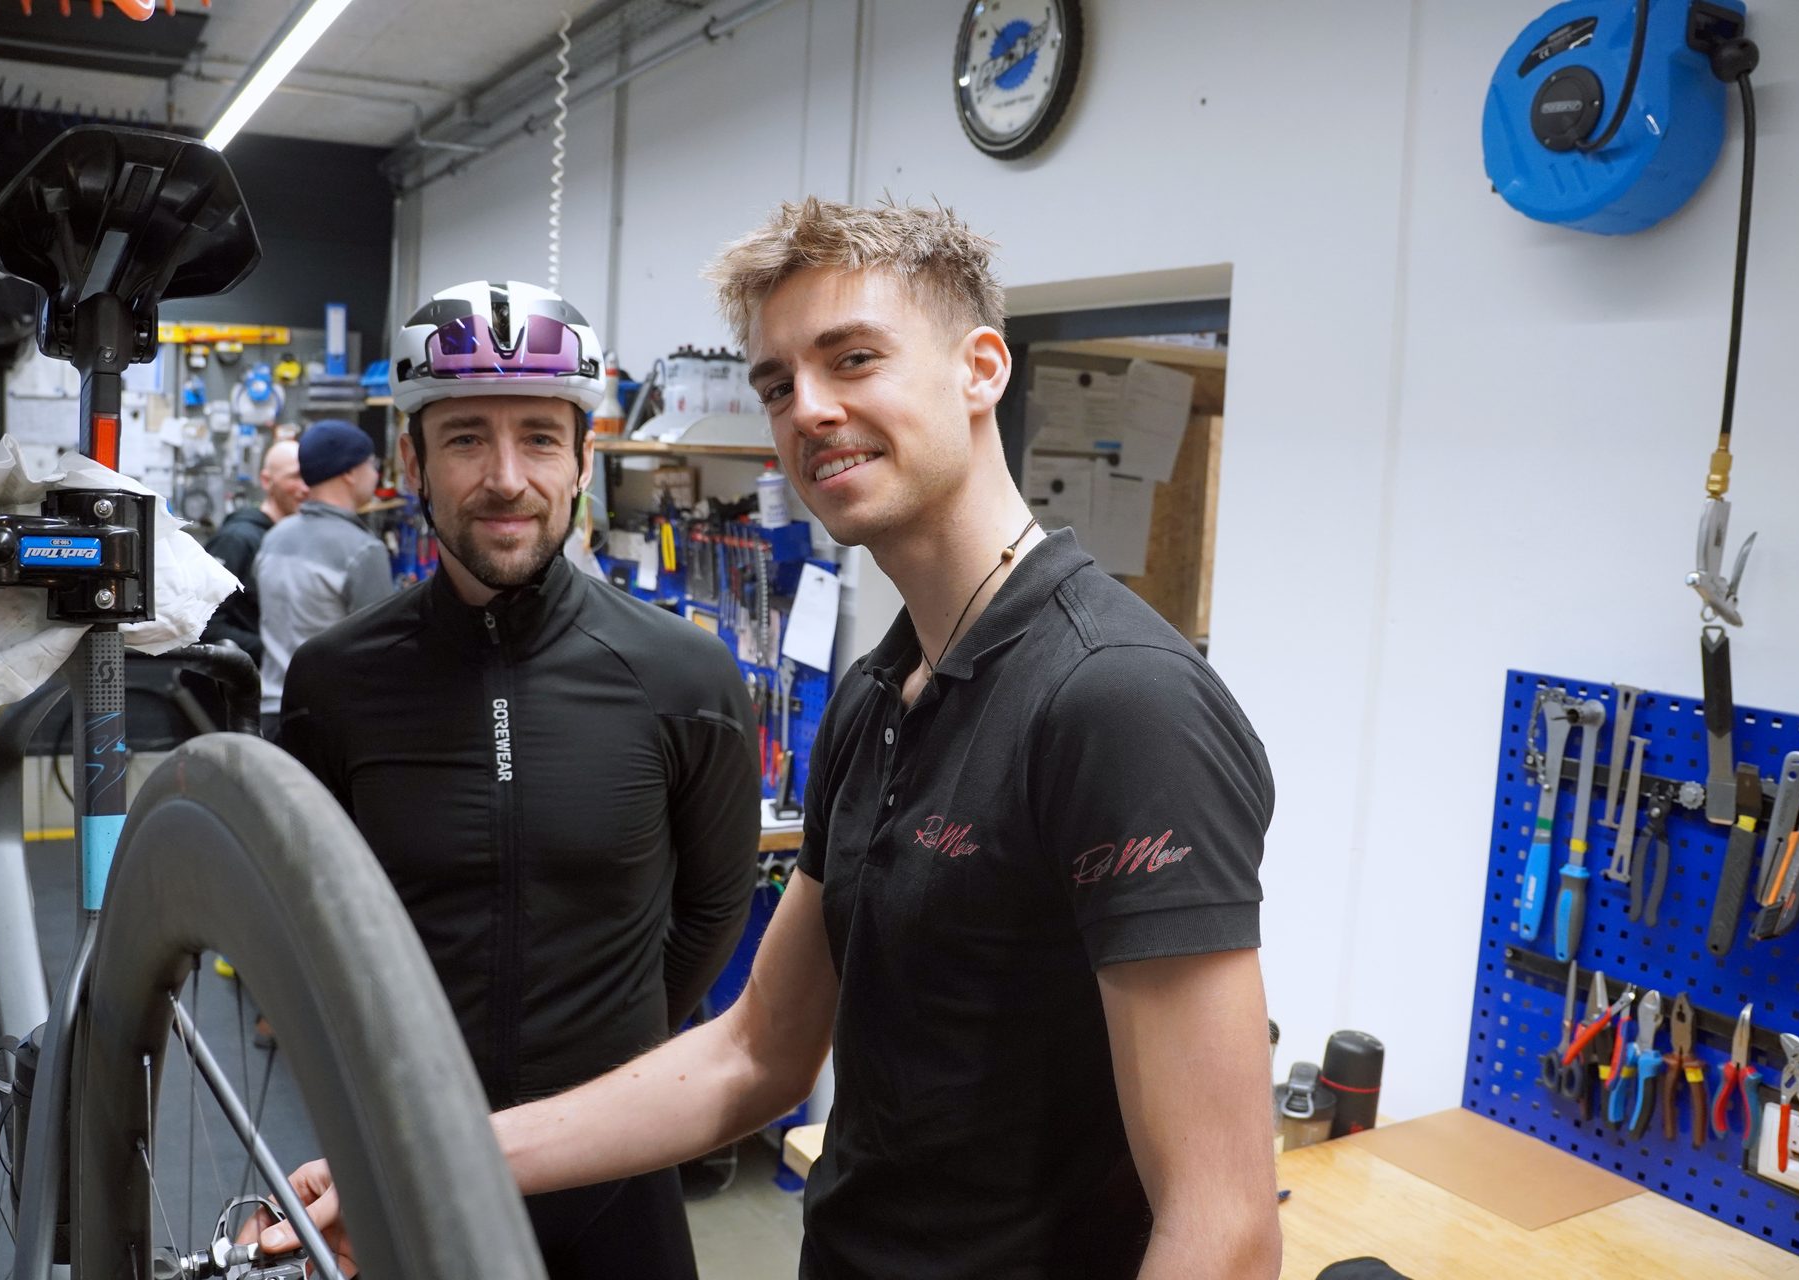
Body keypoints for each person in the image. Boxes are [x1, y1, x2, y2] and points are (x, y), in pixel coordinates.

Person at [263, 205, 1280, 1279]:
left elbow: (1223, 1229)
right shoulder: (879, 696)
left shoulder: (1117, 699)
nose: (812, 409)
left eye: (854, 358)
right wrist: (421, 1154)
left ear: (982, 369)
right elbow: (757, 1051)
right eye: (777, 383)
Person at [274, 280, 760, 1278]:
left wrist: (612, 1065)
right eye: (464, 439)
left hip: (618, 1184)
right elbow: (305, 928)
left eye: (540, 436)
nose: (506, 476)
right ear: (410, 461)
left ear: (583, 458)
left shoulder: (687, 677)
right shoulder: (334, 683)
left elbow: (712, 907)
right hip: (406, 1172)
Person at [252, 419, 392, 739]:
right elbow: (382, 653)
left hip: (271, 715)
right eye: (372, 465)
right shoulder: (362, 550)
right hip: (331, 723)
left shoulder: (274, 537)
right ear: (349, 472)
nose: (376, 475)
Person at [201, 438, 306, 664]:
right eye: (295, 477)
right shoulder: (237, 539)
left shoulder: (292, 539)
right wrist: (275, 651)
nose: (305, 488)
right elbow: (204, 626)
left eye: (309, 477)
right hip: (233, 687)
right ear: (267, 480)